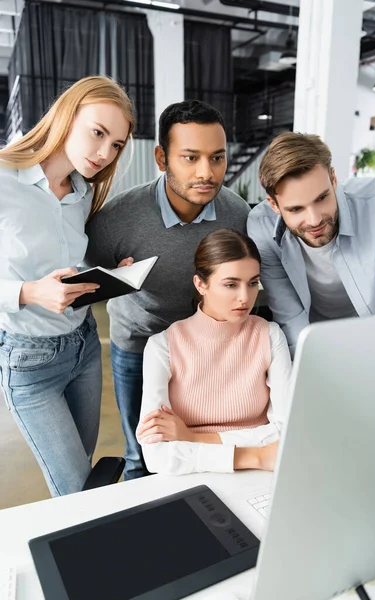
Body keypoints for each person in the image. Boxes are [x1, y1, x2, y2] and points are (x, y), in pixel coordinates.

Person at [85, 100, 250, 480]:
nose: (207, 173)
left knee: (201, 445)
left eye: (217, 158)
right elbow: (83, 281)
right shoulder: (117, 219)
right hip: (139, 347)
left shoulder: (237, 215)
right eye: (190, 158)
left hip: (209, 348)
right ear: (162, 157)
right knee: (141, 456)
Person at [0, 76, 135, 496]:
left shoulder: (82, 192)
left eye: (116, 144)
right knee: (75, 491)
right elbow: (36, 281)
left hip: (84, 347)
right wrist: (29, 292)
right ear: (66, 116)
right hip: (29, 361)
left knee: (87, 476)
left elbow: (67, 264)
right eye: (98, 132)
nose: (104, 153)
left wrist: (110, 272)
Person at [136, 229, 292, 475]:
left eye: (253, 283)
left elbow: (288, 431)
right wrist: (257, 455)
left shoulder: (270, 335)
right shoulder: (162, 347)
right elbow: (156, 457)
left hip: (258, 472)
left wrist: (191, 437)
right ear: (200, 284)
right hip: (200, 476)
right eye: (231, 284)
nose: (245, 297)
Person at [247, 132, 375, 358]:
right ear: (274, 204)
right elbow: (290, 318)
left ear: (333, 178)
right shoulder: (261, 226)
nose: (314, 220)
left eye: (322, 198)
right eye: (296, 209)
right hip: (318, 344)